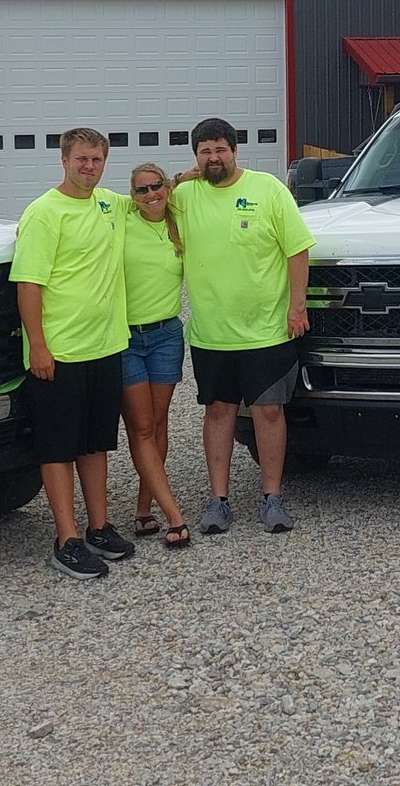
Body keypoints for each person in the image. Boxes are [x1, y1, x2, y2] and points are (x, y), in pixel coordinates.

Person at [168, 117, 314, 535]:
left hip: (266, 329)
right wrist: (180, 178)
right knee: (218, 412)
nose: (214, 157)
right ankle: (218, 500)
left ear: (235, 150)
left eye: (220, 149)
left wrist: (296, 306)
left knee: (269, 412)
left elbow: (297, 250)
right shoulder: (184, 197)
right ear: (195, 157)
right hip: (212, 333)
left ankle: (272, 497)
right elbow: (143, 198)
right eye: (205, 151)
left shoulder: (268, 189)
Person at [9, 128, 135, 579]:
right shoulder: (44, 213)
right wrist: (37, 346)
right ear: (64, 160)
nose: (89, 167)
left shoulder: (108, 204)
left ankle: (98, 526)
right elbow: (29, 284)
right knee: (58, 447)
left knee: (95, 443)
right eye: (81, 159)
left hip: (105, 346)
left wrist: (193, 171)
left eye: (97, 160)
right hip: (59, 353)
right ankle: (66, 537)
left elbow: (154, 191)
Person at [117, 162, 192, 549]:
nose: (150, 195)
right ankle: (173, 515)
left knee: (159, 424)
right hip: (126, 338)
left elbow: (185, 186)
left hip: (166, 335)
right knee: (142, 427)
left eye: (156, 187)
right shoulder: (120, 216)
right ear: (132, 196)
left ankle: (144, 507)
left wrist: (180, 180)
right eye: (141, 190)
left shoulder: (177, 223)